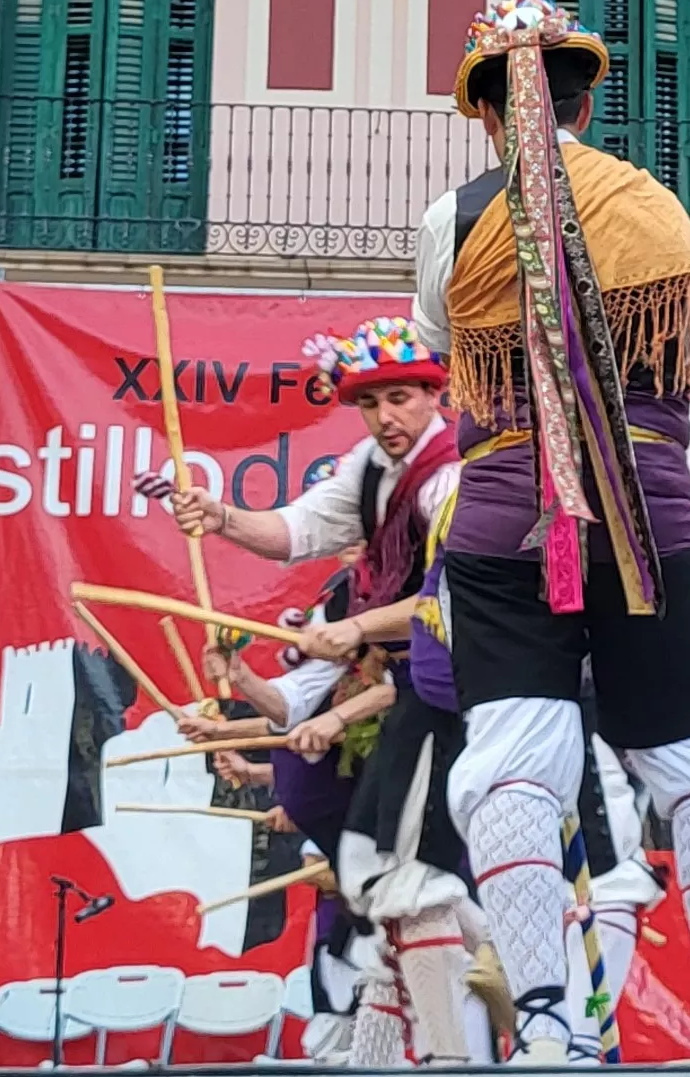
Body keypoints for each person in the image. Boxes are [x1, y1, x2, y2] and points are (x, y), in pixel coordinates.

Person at [405, 0, 690, 1062]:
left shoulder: (454, 216)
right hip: (650, 529)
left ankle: (540, 1023)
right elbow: (684, 370)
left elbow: (444, 344)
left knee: (513, 768)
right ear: (586, 94)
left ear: (488, 113)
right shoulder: (657, 208)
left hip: (502, 532)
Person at [143, 317, 480, 1065]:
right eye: (371, 402)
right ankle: (378, 1055)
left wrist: (361, 632)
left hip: (458, 690)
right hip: (413, 697)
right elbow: (292, 529)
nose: (386, 417)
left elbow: (452, 599)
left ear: (435, 395)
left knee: (410, 884)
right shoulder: (365, 473)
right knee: (376, 887)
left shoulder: (456, 476)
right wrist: (220, 514)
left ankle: (460, 1047)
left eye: (400, 398)